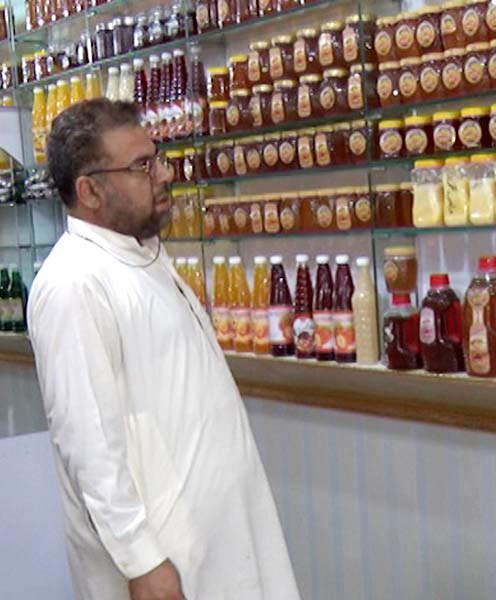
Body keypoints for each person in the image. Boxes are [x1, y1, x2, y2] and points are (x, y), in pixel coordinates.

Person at [27, 99, 301, 600]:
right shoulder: (73, 284)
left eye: (157, 157)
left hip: (217, 541)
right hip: (164, 564)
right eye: (141, 166)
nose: (163, 174)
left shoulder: (142, 254)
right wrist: (142, 562)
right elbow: (90, 444)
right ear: (89, 190)